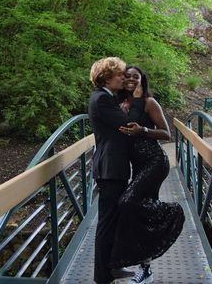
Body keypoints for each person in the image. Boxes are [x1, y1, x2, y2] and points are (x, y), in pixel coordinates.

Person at [109, 66, 185, 284]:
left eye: (136, 76)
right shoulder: (120, 103)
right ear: (122, 80)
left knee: (127, 202)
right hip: (137, 165)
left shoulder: (149, 103)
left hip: (155, 162)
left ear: (142, 79)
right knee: (139, 210)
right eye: (128, 76)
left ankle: (172, 211)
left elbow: (166, 133)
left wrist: (142, 130)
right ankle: (146, 269)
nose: (131, 79)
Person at [88, 58, 143, 284]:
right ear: (107, 77)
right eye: (119, 74)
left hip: (114, 168)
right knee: (107, 223)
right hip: (110, 169)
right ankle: (102, 276)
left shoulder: (107, 98)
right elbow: (128, 124)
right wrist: (138, 100)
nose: (123, 77)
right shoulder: (102, 99)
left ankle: (111, 268)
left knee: (113, 221)